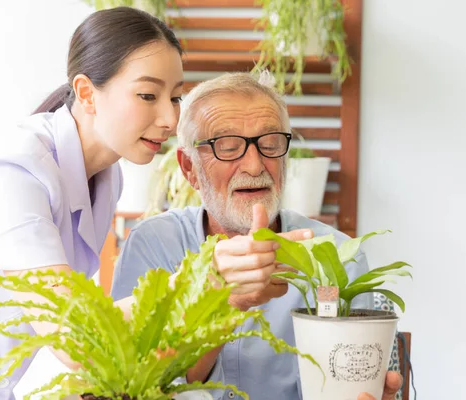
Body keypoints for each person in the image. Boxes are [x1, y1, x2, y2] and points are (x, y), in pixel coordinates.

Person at [111, 72, 403, 400]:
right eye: (228, 147)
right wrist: (224, 303)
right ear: (189, 168)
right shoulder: (153, 245)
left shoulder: (335, 256)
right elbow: (129, 386)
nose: (254, 165)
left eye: (270, 144)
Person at [0, 7, 186, 399]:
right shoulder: (15, 169)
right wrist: (198, 281)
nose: (170, 119)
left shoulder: (108, 176)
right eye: (148, 95)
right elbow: (74, 332)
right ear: (86, 92)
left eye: (176, 97)